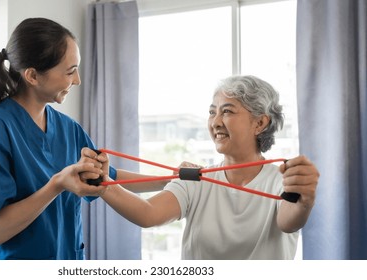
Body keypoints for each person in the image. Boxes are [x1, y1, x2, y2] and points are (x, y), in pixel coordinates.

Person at [0, 17, 164, 260]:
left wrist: (174, 179)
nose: (77, 81)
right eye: (70, 71)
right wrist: (57, 185)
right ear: (33, 76)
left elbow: (109, 179)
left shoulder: (68, 129)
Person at [91, 75, 319, 259]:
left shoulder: (282, 181)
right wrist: (103, 185)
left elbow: (289, 222)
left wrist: (305, 200)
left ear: (259, 123)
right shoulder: (195, 178)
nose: (215, 122)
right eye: (212, 112)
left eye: (227, 111)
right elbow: (148, 214)